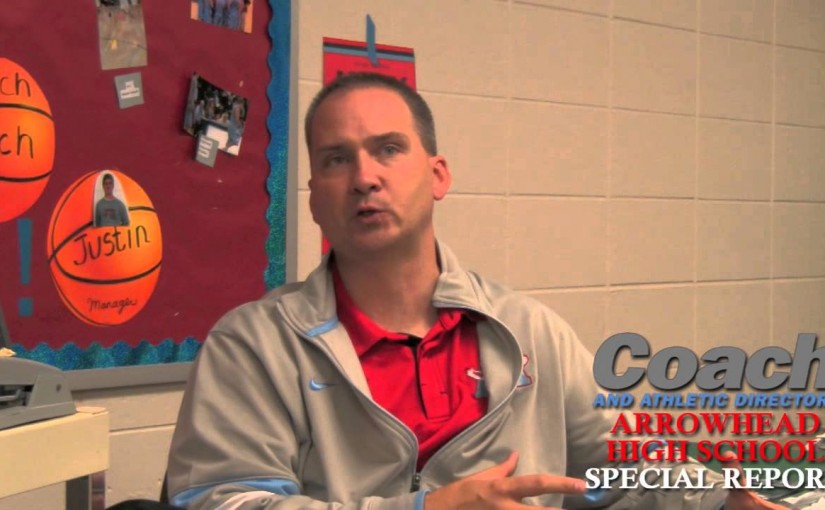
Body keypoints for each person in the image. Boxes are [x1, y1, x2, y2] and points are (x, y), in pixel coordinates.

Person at [166, 73, 786, 509]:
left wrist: (720, 499)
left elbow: (618, 465)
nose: (364, 177)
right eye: (335, 159)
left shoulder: (530, 331)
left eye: (388, 150)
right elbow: (223, 501)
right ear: (313, 199)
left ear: (438, 175)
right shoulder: (254, 345)